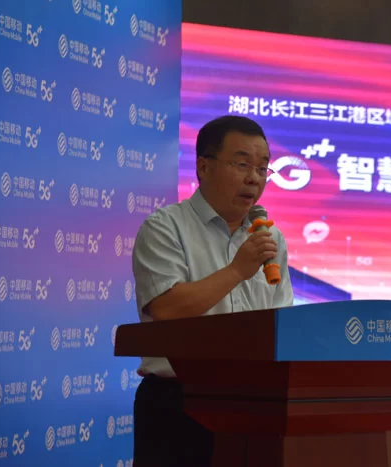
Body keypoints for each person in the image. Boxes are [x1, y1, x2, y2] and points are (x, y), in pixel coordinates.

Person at [130, 115, 294, 466]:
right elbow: (167, 309)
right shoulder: (165, 228)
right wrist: (236, 271)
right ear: (203, 167)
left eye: (262, 168)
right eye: (242, 164)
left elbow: (284, 323)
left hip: (256, 403)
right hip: (179, 406)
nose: (254, 178)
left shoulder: (270, 238)